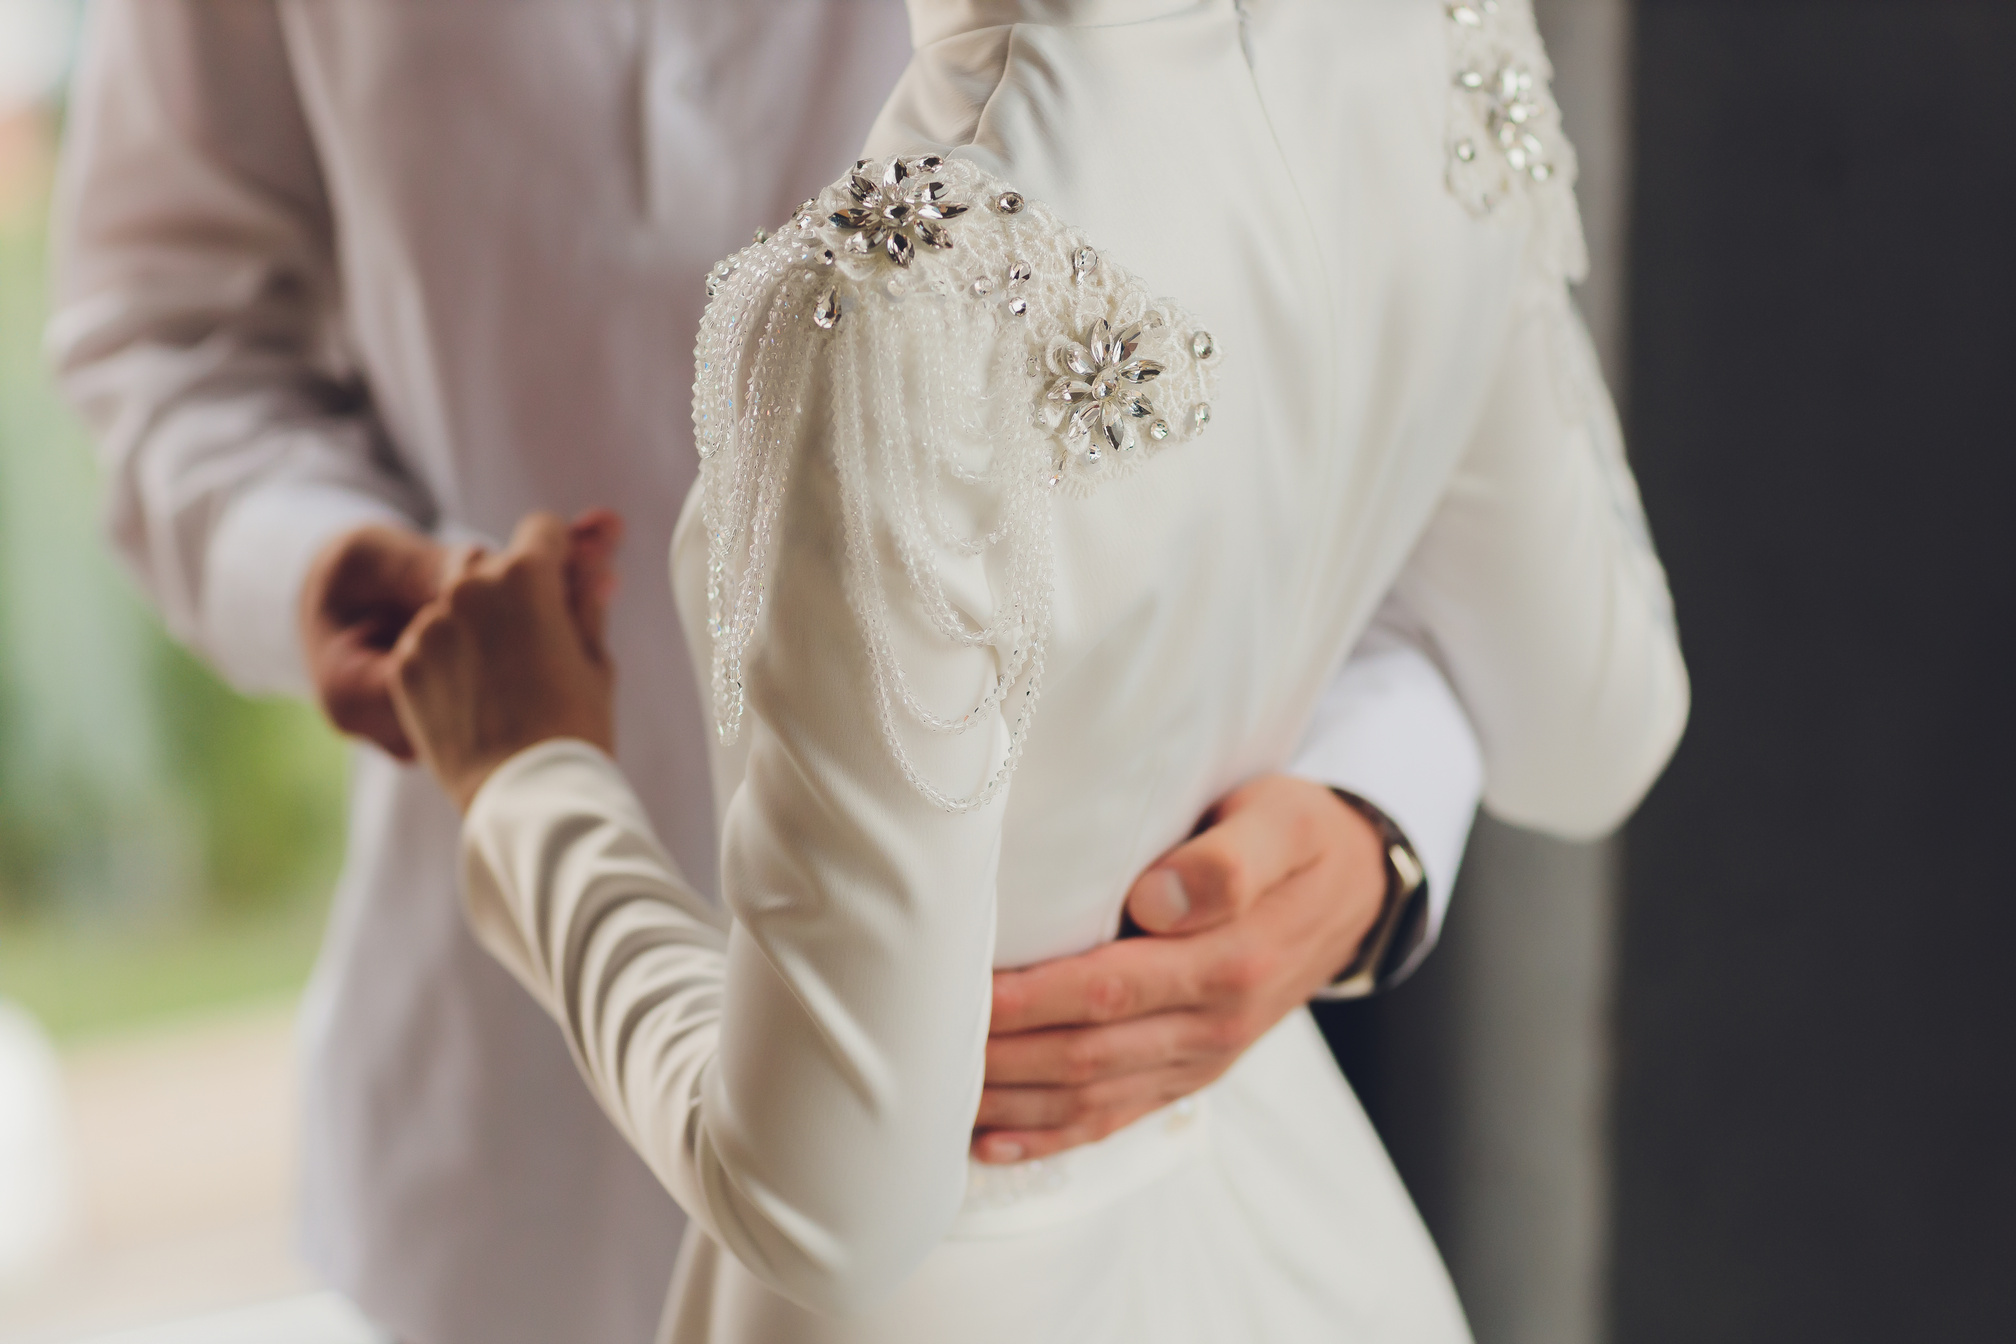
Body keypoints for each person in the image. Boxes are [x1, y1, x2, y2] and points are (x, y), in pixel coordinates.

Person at [48, 2, 1488, 1341]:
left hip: (1085, 1175)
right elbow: (166, 328)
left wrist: (1378, 820)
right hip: (495, 1142)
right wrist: (313, 566)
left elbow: (1421, 392)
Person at [385, 0, 1689, 1339]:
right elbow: (1596, 723)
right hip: (1314, 1256)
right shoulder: (1436, 44)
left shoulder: (901, 290)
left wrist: (526, 783)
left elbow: (822, 1209)